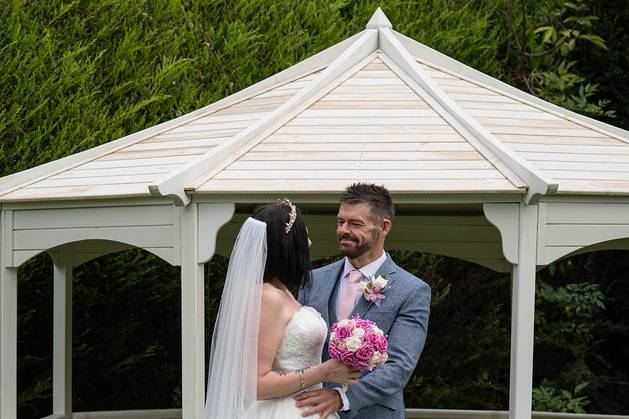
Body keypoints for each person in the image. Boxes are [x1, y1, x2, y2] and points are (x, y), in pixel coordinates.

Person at [204, 199, 359, 419]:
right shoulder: (267, 296)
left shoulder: (282, 291)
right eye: (304, 237)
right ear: (287, 245)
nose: (310, 243)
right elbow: (255, 384)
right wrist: (323, 372)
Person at [297, 183, 431, 419]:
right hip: (310, 412)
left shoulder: (412, 291)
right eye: (341, 222)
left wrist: (341, 398)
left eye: (355, 223)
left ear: (384, 227)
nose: (343, 230)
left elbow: (399, 366)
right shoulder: (312, 280)